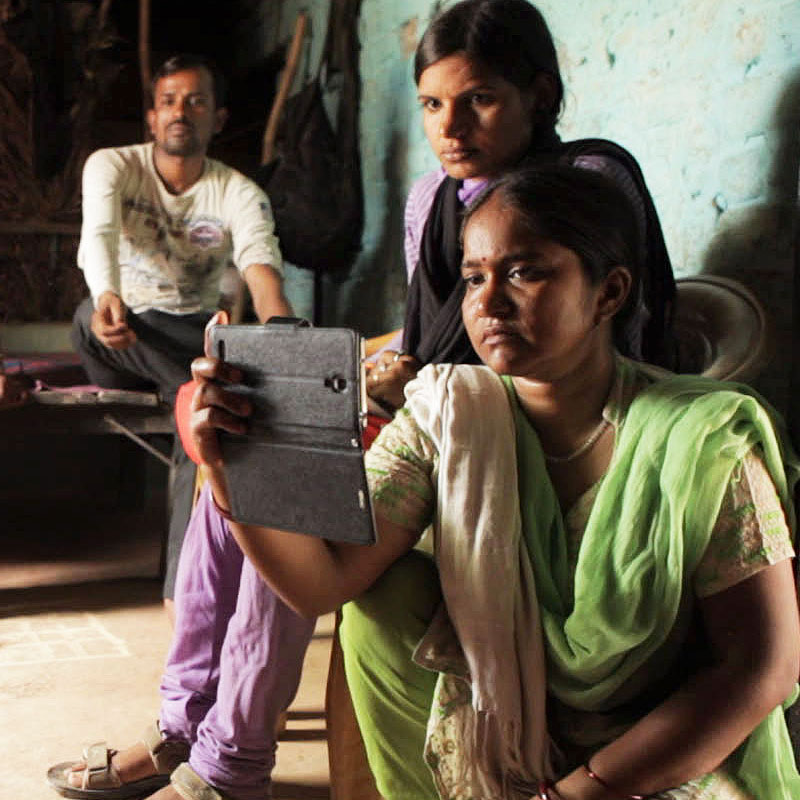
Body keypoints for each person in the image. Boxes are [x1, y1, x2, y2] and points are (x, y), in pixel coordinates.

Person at [192, 163, 800, 800]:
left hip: (667, 753)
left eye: (525, 272)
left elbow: (760, 668)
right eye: (476, 277)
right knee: (384, 599)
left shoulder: (698, 441)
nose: (488, 302)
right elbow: (323, 581)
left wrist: (581, 791)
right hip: (504, 738)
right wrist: (233, 471)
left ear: (609, 292)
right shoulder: (450, 416)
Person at [367, 0, 674, 418]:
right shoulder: (427, 198)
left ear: (540, 96)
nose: (450, 128)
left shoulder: (585, 180)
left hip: (573, 413)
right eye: (432, 104)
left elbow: (623, 337)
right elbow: (434, 328)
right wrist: (390, 367)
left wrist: (433, 393)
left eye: (478, 99)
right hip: (438, 409)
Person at [70, 52, 292, 610]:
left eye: (196, 101)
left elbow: (261, 265)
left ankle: (181, 592)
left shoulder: (236, 191)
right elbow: (96, 235)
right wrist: (107, 299)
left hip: (190, 334)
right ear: (150, 117)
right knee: (99, 328)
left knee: (200, 408)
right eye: (168, 100)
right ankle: (195, 391)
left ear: (217, 118)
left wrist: (283, 330)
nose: (180, 112)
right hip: (119, 328)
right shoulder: (112, 165)